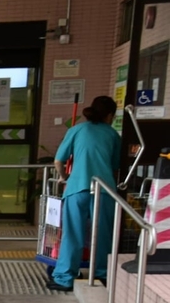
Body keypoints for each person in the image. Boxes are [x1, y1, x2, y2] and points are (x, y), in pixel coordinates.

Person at [48, 95, 120, 292]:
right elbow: (114, 166)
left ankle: (65, 278)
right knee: (103, 234)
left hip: (77, 187)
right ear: (109, 115)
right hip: (104, 190)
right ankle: (101, 275)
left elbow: (58, 161)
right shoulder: (113, 134)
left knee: (73, 234)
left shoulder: (76, 130)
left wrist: (65, 177)